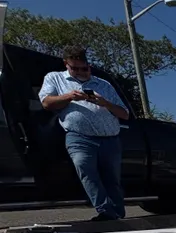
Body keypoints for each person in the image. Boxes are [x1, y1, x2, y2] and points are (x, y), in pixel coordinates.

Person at [39, 46, 130, 221]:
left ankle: (118, 214)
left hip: (110, 138)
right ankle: (106, 211)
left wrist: (105, 103)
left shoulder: (103, 84)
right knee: (85, 169)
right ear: (66, 64)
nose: (81, 72)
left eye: (85, 68)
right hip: (79, 137)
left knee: (112, 178)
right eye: (75, 68)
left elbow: (124, 114)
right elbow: (46, 103)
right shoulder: (54, 78)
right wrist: (69, 96)